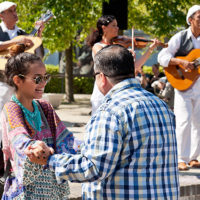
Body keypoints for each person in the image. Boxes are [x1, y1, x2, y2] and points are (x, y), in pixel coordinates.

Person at [26, 45, 179, 200]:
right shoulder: (161, 105)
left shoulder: (111, 111)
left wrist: (49, 159)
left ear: (101, 77)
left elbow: (93, 168)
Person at [0, 52, 77, 199]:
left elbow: (66, 139)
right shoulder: (11, 108)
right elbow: (18, 139)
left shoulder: (44, 107)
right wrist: (33, 148)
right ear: (18, 80)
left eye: (45, 77)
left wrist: (87, 146)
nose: (43, 83)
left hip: (53, 192)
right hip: (26, 193)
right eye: (37, 79)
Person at [87, 15, 161, 115]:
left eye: (117, 25)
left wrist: (150, 49)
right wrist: (123, 52)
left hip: (118, 92)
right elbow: (107, 59)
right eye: (114, 26)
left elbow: (136, 66)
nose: (117, 28)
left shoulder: (117, 46)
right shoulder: (98, 46)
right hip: (103, 91)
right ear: (104, 28)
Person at [158, 5, 200, 171]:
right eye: (199, 18)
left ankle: (194, 157)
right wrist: (181, 62)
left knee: (198, 123)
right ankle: (180, 158)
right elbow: (162, 57)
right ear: (190, 20)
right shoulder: (180, 37)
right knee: (183, 121)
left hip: (199, 86)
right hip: (182, 84)